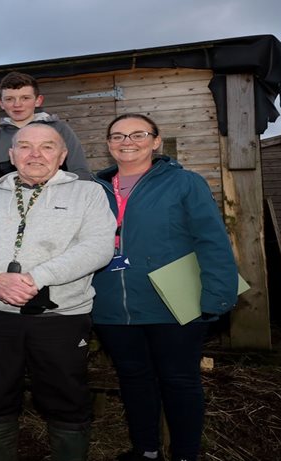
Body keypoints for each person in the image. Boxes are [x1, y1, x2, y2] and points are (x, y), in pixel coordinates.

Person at [0, 124, 116, 460]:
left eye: (47, 147)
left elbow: (98, 247)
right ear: (11, 155)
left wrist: (38, 277)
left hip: (60, 316)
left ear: (63, 154)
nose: (35, 154)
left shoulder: (89, 193)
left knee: (65, 394)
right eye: (24, 146)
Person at [91, 113, 239, 461]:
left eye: (137, 134)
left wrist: (217, 295)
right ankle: (147, 451)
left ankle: (185, 454)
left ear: (156, 141)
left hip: (172, 299)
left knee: (179, 380)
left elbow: (212, 239)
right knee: (133, 379)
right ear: (109, 144)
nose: (127, 142)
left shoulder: (184, 182)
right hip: (113, 303)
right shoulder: (93, 189)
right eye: (117, 136)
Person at [0, 71, 91, 188]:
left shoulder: (60, 129)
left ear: (38, 100)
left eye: (25, 98)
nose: (17, 104)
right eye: (9, 99)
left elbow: (80, 171)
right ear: (1, 103)